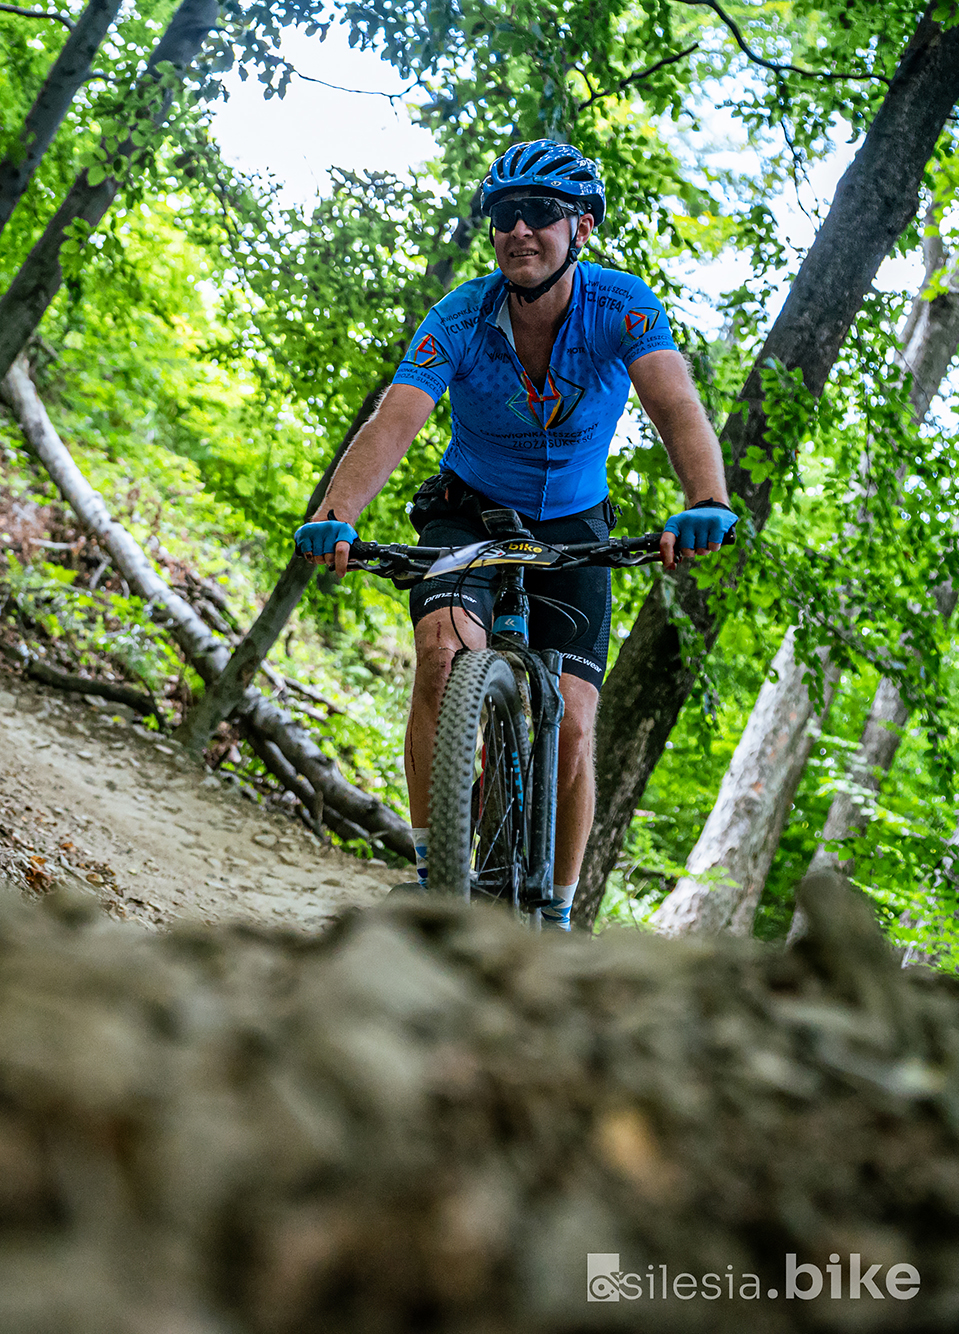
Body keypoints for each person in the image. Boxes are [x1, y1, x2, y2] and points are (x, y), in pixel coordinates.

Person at [295, 140, 736, 926]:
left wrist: (706, 499)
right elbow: (397, 419)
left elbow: (674, 405)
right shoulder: (460, 315)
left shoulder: (622, 305)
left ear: (582, 228)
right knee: (442, 655)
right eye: (504, 214)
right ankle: (437, 873)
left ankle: (556, 916)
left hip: (575, 522)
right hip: (469, 510)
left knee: (573, 724)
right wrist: (337, 515)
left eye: (540, 212)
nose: (520, 229)